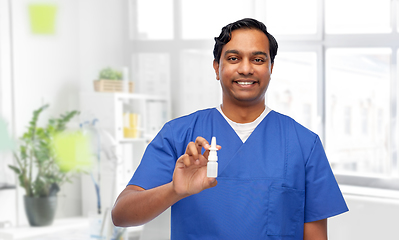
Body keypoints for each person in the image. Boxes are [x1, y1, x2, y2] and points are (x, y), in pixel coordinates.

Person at [111, 18, 348, 239]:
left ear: (271, 67)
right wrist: (175, 190)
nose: (246, 69)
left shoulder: (304, 144)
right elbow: (121, 215)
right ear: (216, 67)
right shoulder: (178, 135)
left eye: (258, 59)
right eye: (234, 58)